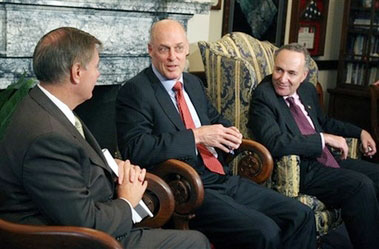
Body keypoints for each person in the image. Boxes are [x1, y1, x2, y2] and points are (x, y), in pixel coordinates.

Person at [0, 27, 211, 249]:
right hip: (77, 240)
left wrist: (113, 166)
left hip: (90, 216)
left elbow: (75, 158)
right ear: (77, 72)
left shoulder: (44, 105)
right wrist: (126, 201)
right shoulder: (47, 137)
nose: (98, 74)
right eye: (96, 66)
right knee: (196, 241)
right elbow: (87, 222)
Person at [116, 19, 317, 249]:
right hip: (188, 188)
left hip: (221, 177)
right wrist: (196, 137)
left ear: (186, 49)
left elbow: (216, 120)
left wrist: (231, 133)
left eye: (179, 48)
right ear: (151, 50)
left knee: (301, 216)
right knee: (265, 231)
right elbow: (136, 148)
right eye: (164, 49)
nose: (173, 57)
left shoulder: (192, 83)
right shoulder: (135, 91)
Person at [248, 43, 379, 249]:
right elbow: (274, 142)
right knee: (360, 186)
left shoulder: (307, 90)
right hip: (304, 168)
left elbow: (325, 122)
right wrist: (323, 139)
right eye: (279, 70)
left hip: (328, 159)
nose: (283, 79)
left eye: (291, 73)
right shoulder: (264, 97)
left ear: (303, 75)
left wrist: (360, 132)